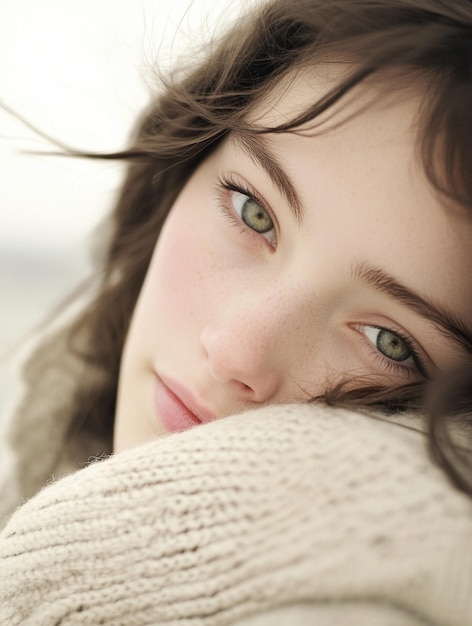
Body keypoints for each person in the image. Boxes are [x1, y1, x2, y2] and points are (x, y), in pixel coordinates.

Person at [0, 0, 471, 623]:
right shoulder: (38, 431)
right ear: (186, 166)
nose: (233, 350)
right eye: (253, 212)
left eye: (387, 340)